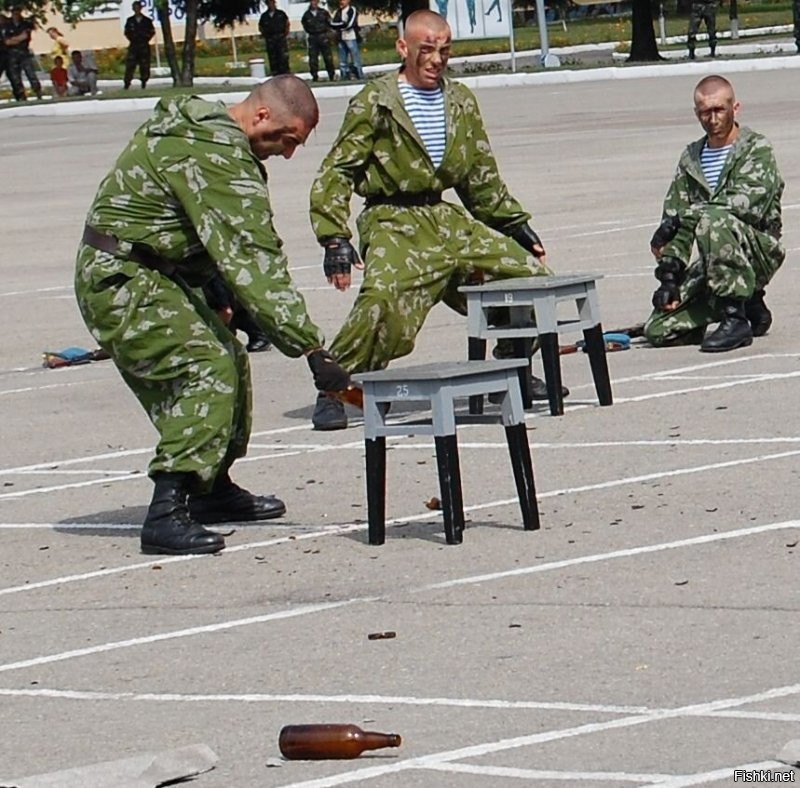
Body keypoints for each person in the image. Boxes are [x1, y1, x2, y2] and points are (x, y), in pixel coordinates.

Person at [74, 76, 350, 556]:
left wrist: (220, 291)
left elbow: (197, 229)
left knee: (231, 358)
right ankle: (167, 509)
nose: (287, 154)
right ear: (262, 115)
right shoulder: (219, 154)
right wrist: (311, 348)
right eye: (287, 139)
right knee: (207, 368)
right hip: (124, 277)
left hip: (151, 270)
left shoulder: (201, 125)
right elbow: (255, 258)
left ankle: (212, 487)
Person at [308, 10, 558, 431]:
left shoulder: (460, 101)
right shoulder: (377, 101)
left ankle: (514, 367)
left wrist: (514, 224)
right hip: (393, 217)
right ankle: (336, 386)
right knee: (383, 296)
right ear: (403, 48)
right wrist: (334, 237)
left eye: (445, 50)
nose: (436, 59)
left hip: (445, 218)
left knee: (529, 277)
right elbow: (338, 171)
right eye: (427, 49)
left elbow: (480, 175)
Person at [644, 75, 784, 352]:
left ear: (735, 108)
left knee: (713, 219)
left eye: (719, 109)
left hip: (756, 250)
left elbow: (743, 206)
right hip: (714, 259)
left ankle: (736, 317)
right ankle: (750, 305)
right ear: (696, 113)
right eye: (705, 112)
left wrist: (687, 217)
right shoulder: (691, 158)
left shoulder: (757, 149)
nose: (712, 118)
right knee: (659, 330)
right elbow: (674, 217)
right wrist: (669, 277)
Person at [3, 6, 43, 102]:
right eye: (14, 13)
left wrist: (14, 39)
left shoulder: (25, 24)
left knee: (31, 74)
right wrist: (18, 38)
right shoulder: (7, 26)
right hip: (12, 54)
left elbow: (25, 37)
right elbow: (7, 42)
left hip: (24, 52)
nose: (16, 15)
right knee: (15, 76)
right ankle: (21, 96)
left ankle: (38, 93)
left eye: (17, 12)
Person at [123, 1, 155, 90]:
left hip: (144, 46)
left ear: (141, 8)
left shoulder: (147, 21)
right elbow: (126, 32)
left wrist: (145, 39)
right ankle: (127, 83)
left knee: (144, 65)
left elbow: (151, 32)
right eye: (135, 8)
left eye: (138, 8)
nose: (136, 10)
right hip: (134, 46)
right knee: (130, 65)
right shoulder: (130, 21)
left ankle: (144, 82)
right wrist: (133, 39)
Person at [301, 0, 336, 82]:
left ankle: (331, 75)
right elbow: (305, 26)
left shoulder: (324, 12)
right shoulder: (306, 15)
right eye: (312, 1)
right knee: (313, 58)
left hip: (323, 37)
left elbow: (329, 24)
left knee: (328, 57)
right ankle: (314, 75)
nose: (314, 3)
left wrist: (329, 34)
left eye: (315, 1)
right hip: (313, 38)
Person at [330, 0, 363, 81]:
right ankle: (344, 75)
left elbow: (350, 24)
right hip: (341, 38)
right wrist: (342, 24)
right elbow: (333, 24)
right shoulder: (338, 12)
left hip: (351, 37)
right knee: (342, 59)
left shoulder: (352, 10)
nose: (341, 2)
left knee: (355, 57)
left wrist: (341, 26)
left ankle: (359, 74)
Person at [259, 0, 291, 76]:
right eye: (269, 3)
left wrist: (284, 34)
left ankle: (285, 72)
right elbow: (261, 27)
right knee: (272, 56)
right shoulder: (264, 16)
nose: (271, 5)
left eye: (272, 3)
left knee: (283, 56)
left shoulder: (281, 14)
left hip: (280, 38)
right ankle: (275, 72)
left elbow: (287, 24)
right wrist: (265, 35)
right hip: (270, 39)